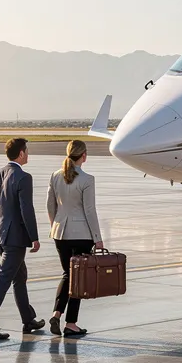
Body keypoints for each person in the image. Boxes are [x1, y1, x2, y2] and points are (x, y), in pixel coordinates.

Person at [0, 138, 45, 340]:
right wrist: (34, 237)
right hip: (14, 238)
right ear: (21, 154)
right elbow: (27, 210)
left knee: (19, 275)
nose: (28, 154)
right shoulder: (23, 177)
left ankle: (28, 319)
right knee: (3, 281)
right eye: (27, 151)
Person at [46, 139, 103, 337]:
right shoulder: (87, 179)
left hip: (60, 234)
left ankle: (56, 313)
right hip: (81, 235)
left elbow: (49, 205)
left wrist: (55, 225)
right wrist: (98, 238)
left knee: (67, 274)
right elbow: (89, 210)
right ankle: (71, 323)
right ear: (84, 156)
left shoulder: (55, 176)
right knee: (78, 279)